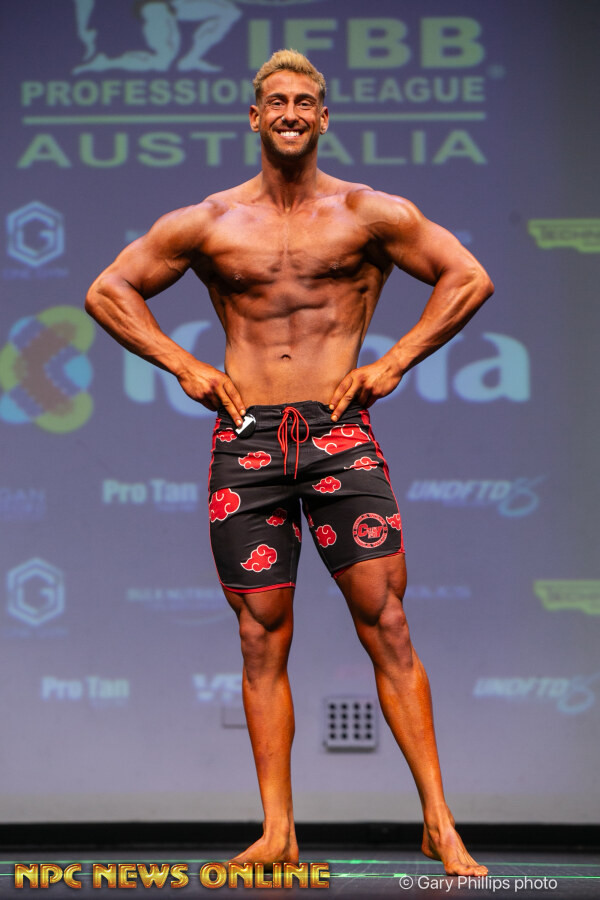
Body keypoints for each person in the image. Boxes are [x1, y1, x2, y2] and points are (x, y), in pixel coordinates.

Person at [84, 50, 494, 876]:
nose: (292, 112)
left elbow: (468, 277)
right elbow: (107, 291)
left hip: (338, 431)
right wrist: (183, 364)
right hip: (248, 440)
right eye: (277, 100)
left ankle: (439, 824)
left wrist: (397, 359)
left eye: (306, 101)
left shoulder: (368, 213)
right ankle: (278, 832)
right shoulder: (209, 221)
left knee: (387, 623)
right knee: (259, 636)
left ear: (324, 117)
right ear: (255, 117)